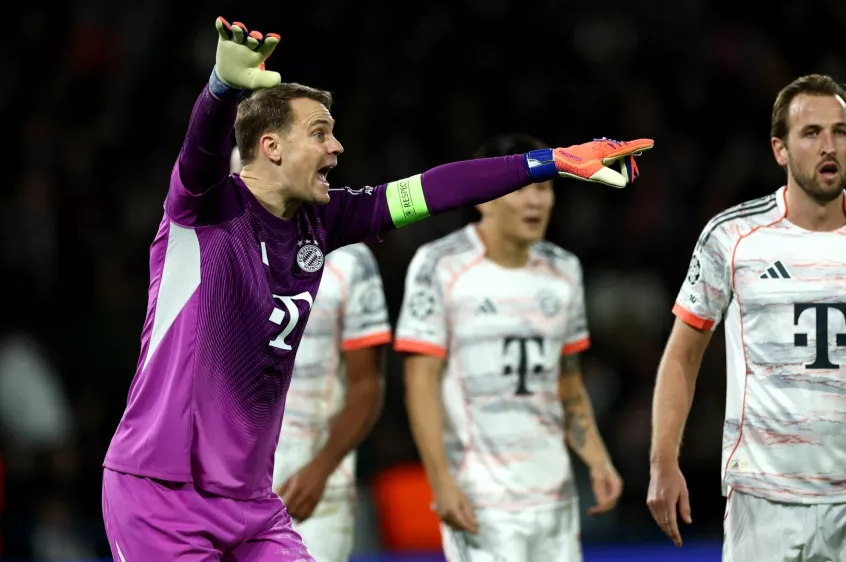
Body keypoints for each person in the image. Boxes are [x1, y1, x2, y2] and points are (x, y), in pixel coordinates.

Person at [101, 17, 652, 562]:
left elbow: (435, 188)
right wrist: (221, 89)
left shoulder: (325, 221)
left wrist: (549, 162)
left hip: (250, 502)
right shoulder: (203, 211)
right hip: (162, 492)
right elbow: (198, 153)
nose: (337, 147)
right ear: (269, 146)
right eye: (320, 133)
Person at [645, 74, 846, 562]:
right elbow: (682, 356)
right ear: (780, 149)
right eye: (811, 133)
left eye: (840, 131)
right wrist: (663, 461)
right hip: (763, 501)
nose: (827, 145)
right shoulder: (732, 238)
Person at [396, 134, 624, 562]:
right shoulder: (439, 265)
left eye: (543, 187)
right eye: (520, 189)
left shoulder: (564, 270)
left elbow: (568, 381)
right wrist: (440, 480)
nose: (534, 202)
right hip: (479, 497)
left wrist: (597, 459)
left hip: (553, 497)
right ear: (483, 197)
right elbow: (420, 380)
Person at [233, 148, 391, 562]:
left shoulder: (350, 262)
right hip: (226, 484)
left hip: (310, 486)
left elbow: (367, 384)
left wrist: (321, 468)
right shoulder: (219, 255)